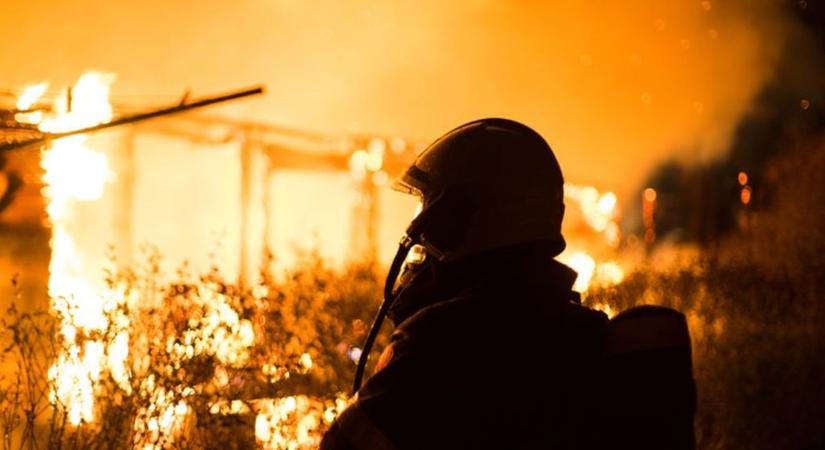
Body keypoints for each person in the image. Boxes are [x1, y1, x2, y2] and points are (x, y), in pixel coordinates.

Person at [320, 118, 610, 450]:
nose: (421, 234)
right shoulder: (587, 334)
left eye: (430, 212)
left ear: (457, 222)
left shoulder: (437, 342)